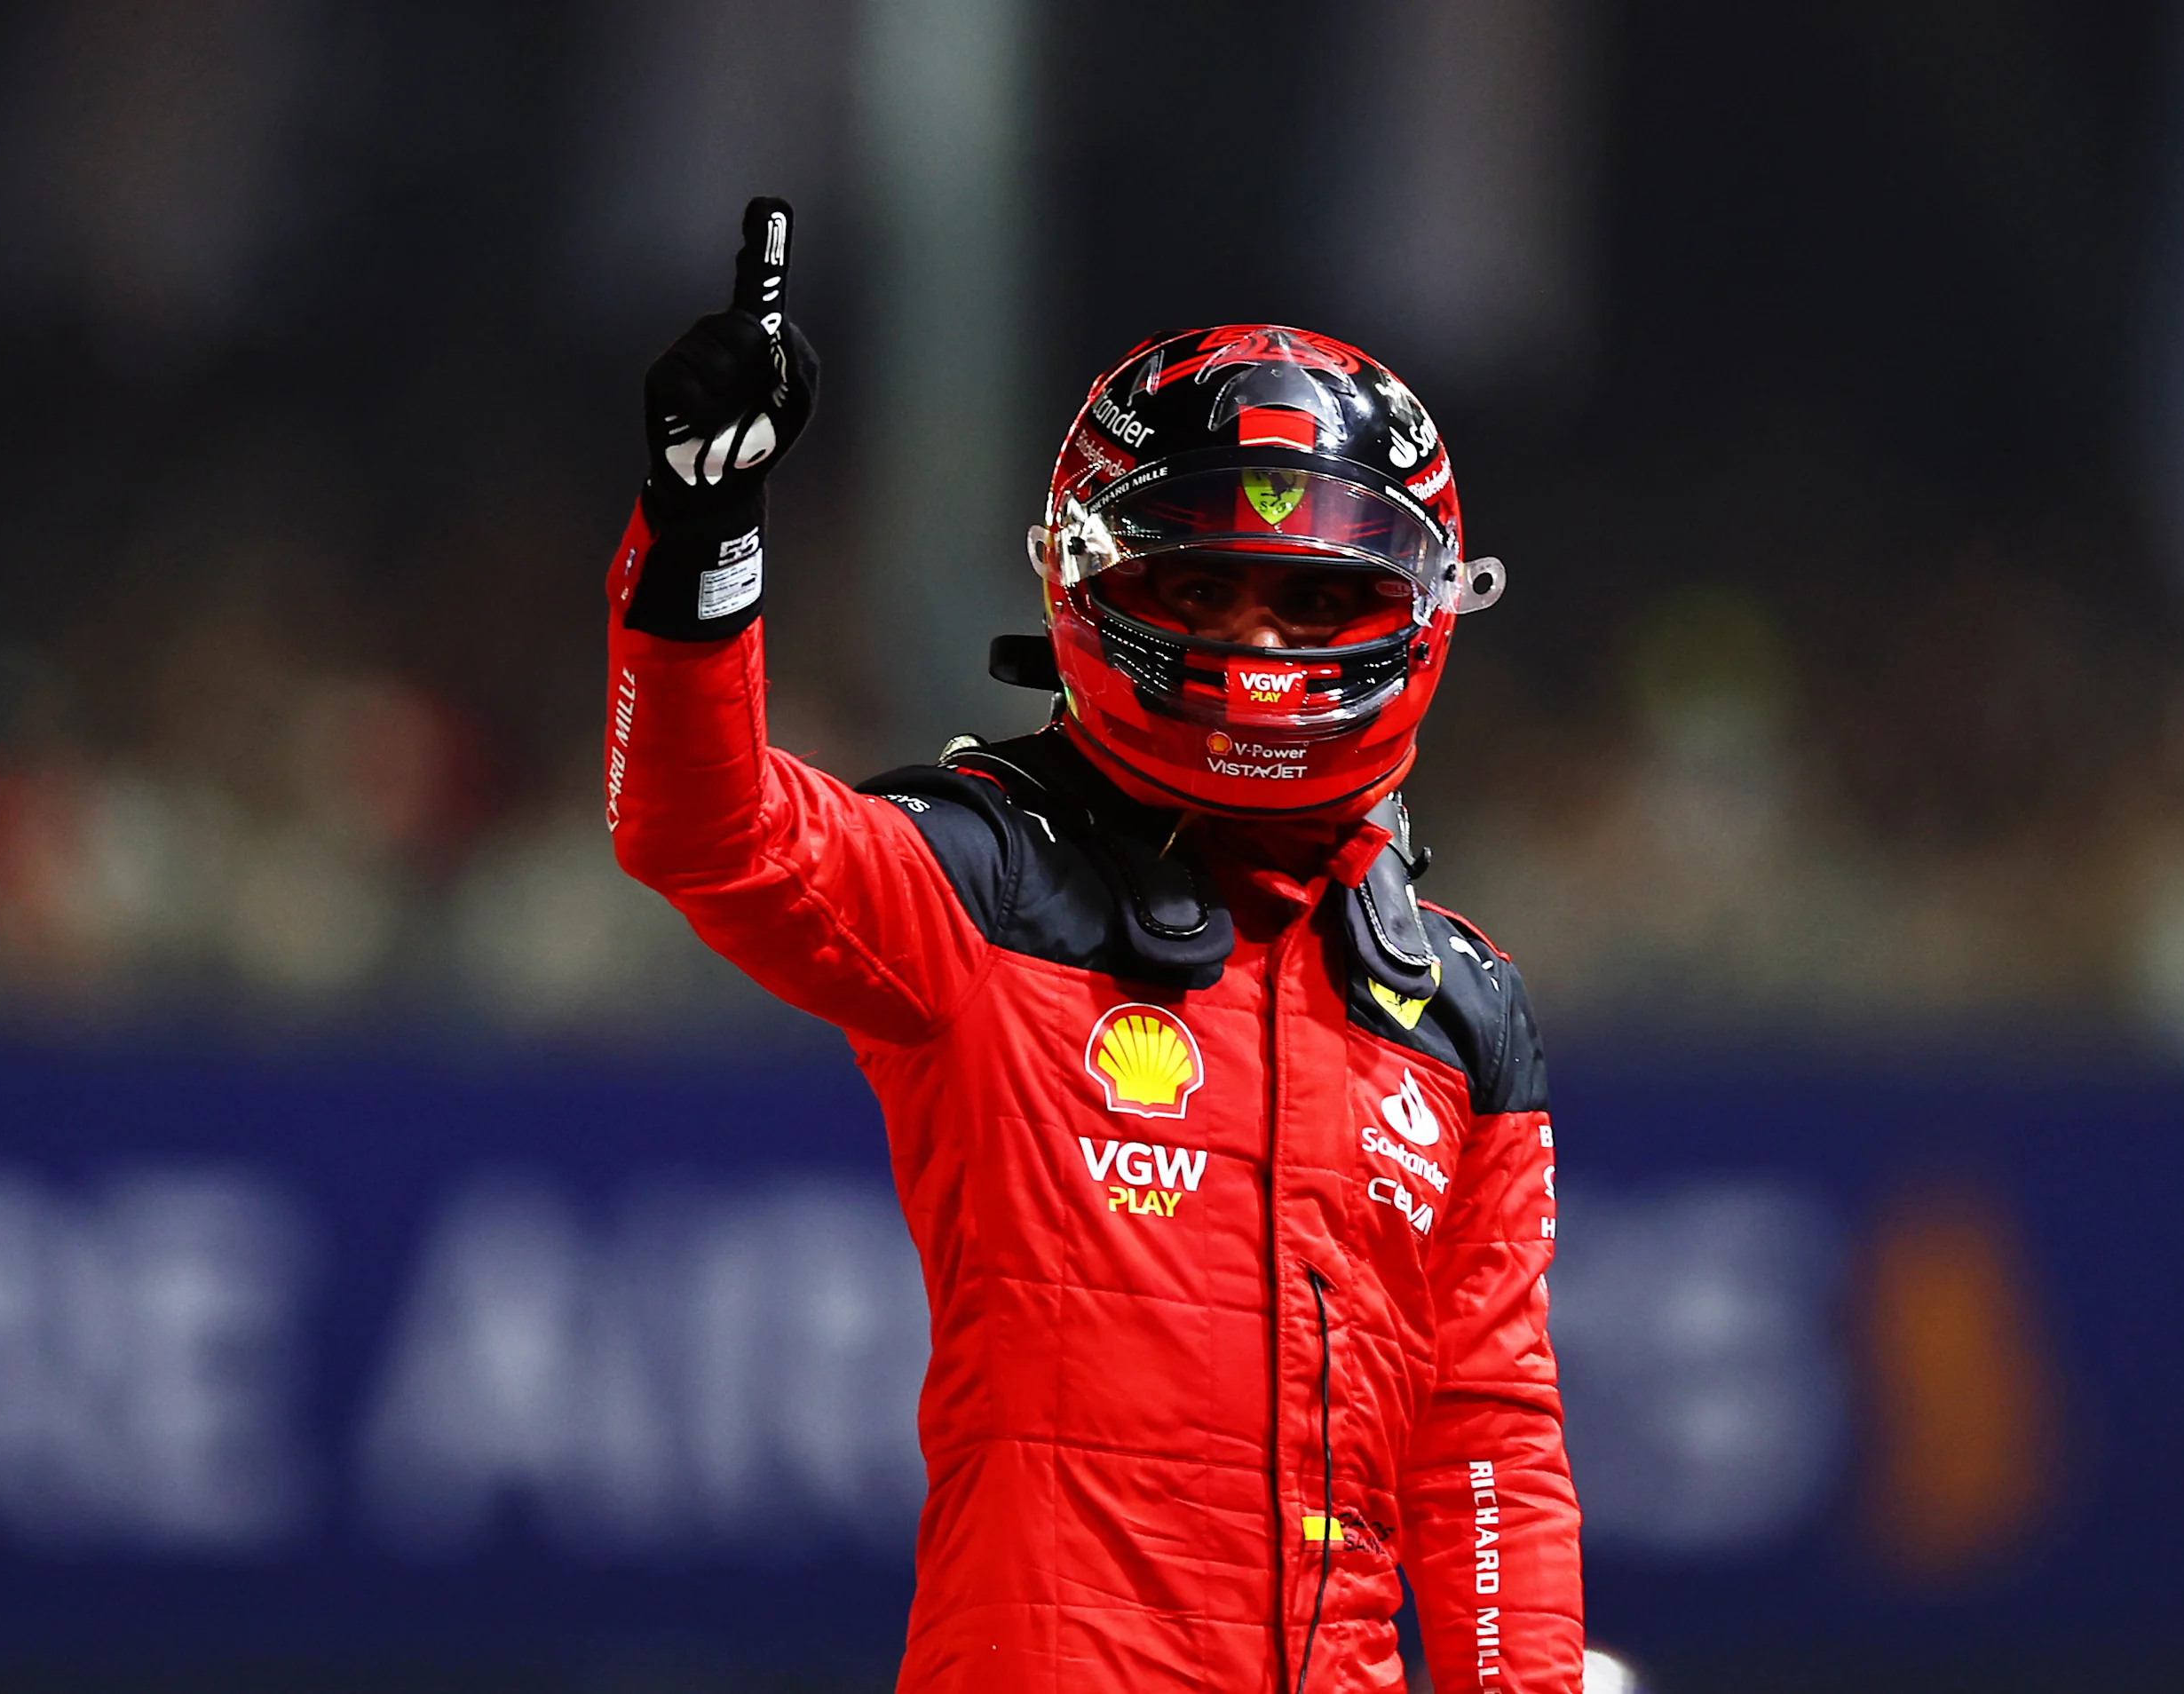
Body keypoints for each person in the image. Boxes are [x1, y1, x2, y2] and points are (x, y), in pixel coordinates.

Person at [605, 199, 1580, 1693]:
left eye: (1316, 596)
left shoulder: (1461, 1006)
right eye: (1203, 585)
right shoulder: (984, 880)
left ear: (1424, 607)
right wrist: (701, 531)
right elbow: (705, 831)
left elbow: (1489, 1440)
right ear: (1087, 581)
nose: (1260, 642)